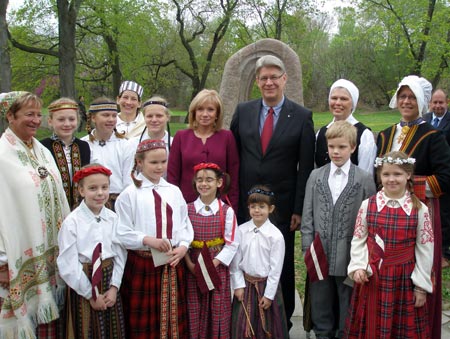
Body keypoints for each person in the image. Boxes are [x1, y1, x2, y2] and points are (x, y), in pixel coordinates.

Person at [230, 54, 315, 328]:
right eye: (263, 78)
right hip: (247, 202)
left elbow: (305, 167)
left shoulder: (302, 117)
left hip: (282, 206)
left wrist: (299, 209)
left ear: (284, 79)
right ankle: (244, 317)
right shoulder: (243, 111)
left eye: (274, 77)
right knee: (245, 258)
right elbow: (234, 155)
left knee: (282, 263)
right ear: (257, 81)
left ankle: (283, 319)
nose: (269, 83)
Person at [376, 75, 450, 339]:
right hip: (386, 218)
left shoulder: (434, 136)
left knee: (417, 273)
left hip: (421, 215)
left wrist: (404, 186)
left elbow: (445, 179)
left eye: (412, 97)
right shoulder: (385, 136)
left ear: (422, 102)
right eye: (402, 96)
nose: (406, 101)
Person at [0, 91, 70, 338]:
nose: (36, 120)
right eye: (29, 114)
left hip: (48, 249)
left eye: (39, 114)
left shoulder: (41, 150)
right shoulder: (2, 156)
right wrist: (1, 260)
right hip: (16, 255)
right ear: (10, 116)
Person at [345, 151, 434, 338]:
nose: (391, 179)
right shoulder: (367, 205)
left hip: (404, 280)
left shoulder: (420, 210)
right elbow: (359, 239)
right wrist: (359, 266)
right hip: (372, 277)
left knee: (399, 327)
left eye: (397, 174)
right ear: (379, 176)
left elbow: (425, 249)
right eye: (386, 174)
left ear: (408, 175)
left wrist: (420, 286)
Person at [301, 121, 376, 339]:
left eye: (342, 147)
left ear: (353, 148)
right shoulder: (315, 177)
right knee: (320, 304)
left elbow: (370, 219)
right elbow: (308, 216)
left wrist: (364, 255)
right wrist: (308, 249)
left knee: (348, 304)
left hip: (350, 254)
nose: (336, 151)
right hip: (319, 251)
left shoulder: (364, 179)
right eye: (332, 146)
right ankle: (323, 334)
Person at [115, 139, 194, 339]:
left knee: (172, 318)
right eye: (154, 162)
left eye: (163, 162)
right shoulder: (130, 194)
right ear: (139, 162)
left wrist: (184, 246)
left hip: (172, 262)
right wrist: (147, 239)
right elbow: (121, 233)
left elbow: (185, 225)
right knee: (144, 320)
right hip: (143, 263)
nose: (160, 167)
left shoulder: (174, 192)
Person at [57, 164, 127, 338]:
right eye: (93, 188)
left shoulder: (113, 218)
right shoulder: (72, 223)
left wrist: (114, 287)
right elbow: (68, 263)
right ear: (81, 190)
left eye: (105, 187)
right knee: (86, 330)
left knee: (112, 330)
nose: (100, 193)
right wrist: (90, 294)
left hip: (109, 278)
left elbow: (120, 254)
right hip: (84, 282)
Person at [184, 162, 239, 339]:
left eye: (209, 180)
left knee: (217, 307)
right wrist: (190, 264)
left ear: (219, 183)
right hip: (194, 266)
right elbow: (182, 239)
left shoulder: (227, 211)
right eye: (199, 180)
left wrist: (213, 264)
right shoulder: (187, 210)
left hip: (216, 266)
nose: (204, 184)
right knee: (194, 306)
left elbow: (231, 244)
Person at [230, 185, 288, 338]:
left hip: (265, 286)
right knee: (242, 325)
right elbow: (235, 262)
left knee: (268, 326)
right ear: (248, 208)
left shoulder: (275, 236)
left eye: (262, 206)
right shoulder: (241, 231)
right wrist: (238, 286)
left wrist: (269, 295)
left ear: (271, 208)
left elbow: (276, 269)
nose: (257, 210)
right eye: (253, 206)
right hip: (246, 285)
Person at [168, 89, 239, 212]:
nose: (205, 114)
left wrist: (231, 207)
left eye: (210, 109)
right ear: (194, 112)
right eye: (200, 109)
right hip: (186, 205)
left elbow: (233, 175)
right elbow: (173, 176)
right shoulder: (181, 137)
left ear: (217, 113)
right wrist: (176, 205)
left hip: (219, 207)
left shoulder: (227, 137)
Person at [82, 97, 134, 210]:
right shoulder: (84, 145)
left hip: (119, 201)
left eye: (114, 116)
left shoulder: (125, 145)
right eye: (105, 115)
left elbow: (128, 178)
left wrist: (125, 204)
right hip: (91, 202)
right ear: (93, 118)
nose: (111, 119)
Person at [315, 79, 377, 174]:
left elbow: (365, 174)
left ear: (353, 103)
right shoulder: (321, 133)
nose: (338, 103)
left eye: (343, 99)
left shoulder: (364, 135)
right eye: (334, 98)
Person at [40, 97, 91, 209]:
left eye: (71, 119)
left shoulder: (83, 146)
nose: (67, 124)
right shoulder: (43, 147)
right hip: (53, 206)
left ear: (77, 120)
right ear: (50, 121)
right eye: (61, 120)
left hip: (80, 207)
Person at [424, 89, 450, 265]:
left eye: (441, 102)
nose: (438, 106)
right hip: (428, 173)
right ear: (430, 104)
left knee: (445, 213)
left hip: (445, 173)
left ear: (446, 102)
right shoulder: (425, 119)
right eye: (435, 102)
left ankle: (445, 253)